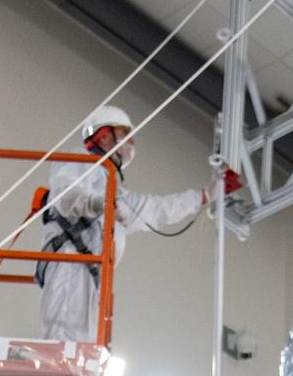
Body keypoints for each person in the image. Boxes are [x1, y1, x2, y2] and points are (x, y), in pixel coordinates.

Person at [37, 105, 242, 343]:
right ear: (104, 136)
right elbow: (67, 195)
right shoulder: (81, 160)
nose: (132, 141)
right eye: (125, 134)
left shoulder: (113, 188)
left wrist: (204, 195)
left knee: (81, 347)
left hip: (90, 274)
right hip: (69, 265)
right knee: (63, 340)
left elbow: (157, 209)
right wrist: (103, 203)